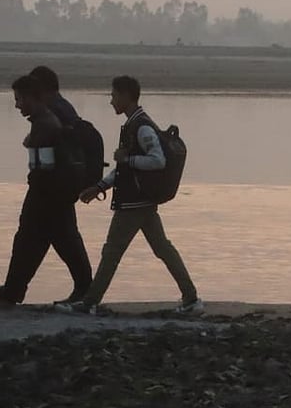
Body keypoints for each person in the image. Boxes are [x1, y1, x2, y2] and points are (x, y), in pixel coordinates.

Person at [56, 75, 202, 315]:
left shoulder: (141, 127)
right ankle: (191, 299)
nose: (111, 101)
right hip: (141, 202)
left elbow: (157, 161)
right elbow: (124, 168)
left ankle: (90, 302)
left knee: (112, 252)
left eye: (114, 96)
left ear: (125, 96)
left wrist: (128, 159)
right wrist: (100, 187)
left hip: (134, 204)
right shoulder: (134, 124)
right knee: (162, 248)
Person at [0, 74, 93, 308]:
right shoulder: (46, 121)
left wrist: (36, 196)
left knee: (50, 242)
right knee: (40, 242)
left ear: (34, 98)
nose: (17, 105)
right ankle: (14, 290)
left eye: (19, 99)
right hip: (54, 194)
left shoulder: (44, 125)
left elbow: (43, 167)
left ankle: (16, 292)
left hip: (47, 196)